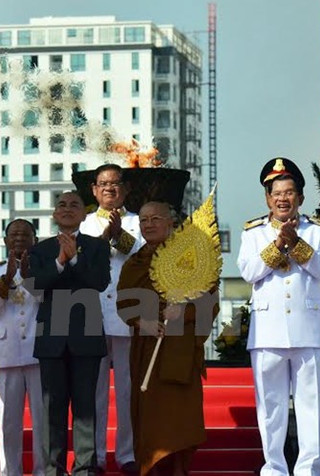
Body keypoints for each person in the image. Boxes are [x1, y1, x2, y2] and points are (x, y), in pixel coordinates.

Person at [236, 157, 320, 476]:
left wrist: (298, 245)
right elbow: (249, 272)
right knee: (271, 409)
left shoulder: (317, 232)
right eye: (276, 193)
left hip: (308, 330)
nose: (282, 198)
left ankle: (308, 470)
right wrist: (277, 246)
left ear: (300, 198)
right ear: (267, 198)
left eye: (289, 192)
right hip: (268, 332)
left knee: (309, 407)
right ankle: (275, 469)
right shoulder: (253, 232)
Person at [116, 201, 218, 475]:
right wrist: (142, 322)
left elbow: (211, 302)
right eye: (144, 220)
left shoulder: (191, 259)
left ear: (171, 222)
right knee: (149, 419)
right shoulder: (135, 263)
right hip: (146, 348)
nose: (148, 225)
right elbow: (124, 303)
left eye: (155, 219)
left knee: (178, 420)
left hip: (179, 350)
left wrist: (185, 311)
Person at [31, 191, 111, 476]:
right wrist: (60, 262)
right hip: (51, 338)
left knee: (85, 408)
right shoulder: (40, 250)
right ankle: (53, 469)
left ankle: (84, 469)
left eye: (74, 205)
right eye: (61, 205)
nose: (67, 209)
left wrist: (76, 259)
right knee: (52, 408)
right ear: (54, 214)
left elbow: (100, 282)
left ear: (83, 214)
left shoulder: (97, 247)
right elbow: (34, 286)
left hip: (85, 336)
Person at [80, 164, 142, 474]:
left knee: (128, 389)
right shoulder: (85, 223)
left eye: (115, 183)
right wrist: (107, 236)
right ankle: (96, 455)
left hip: (128, 313)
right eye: (103, 184)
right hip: (93, 316)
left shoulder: (139, 221)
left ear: (125, 188)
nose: (109, 189)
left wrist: (121, 237)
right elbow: (83, 260)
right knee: (95, 390)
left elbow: (144, 256)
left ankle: (127, 454)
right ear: (93, 189)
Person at [0, 219, 48, 476]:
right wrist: (8, 277)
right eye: (14, 235)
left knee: (41, 420)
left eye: (25, 234)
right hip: (6, 351)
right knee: (8, 422)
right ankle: (9, 471)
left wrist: (29, 275)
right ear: (5, 241)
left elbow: (47, 300)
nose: (19, 239)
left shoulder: (44, 270)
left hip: (38, 350)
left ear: (34, 240)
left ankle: (42, 470)